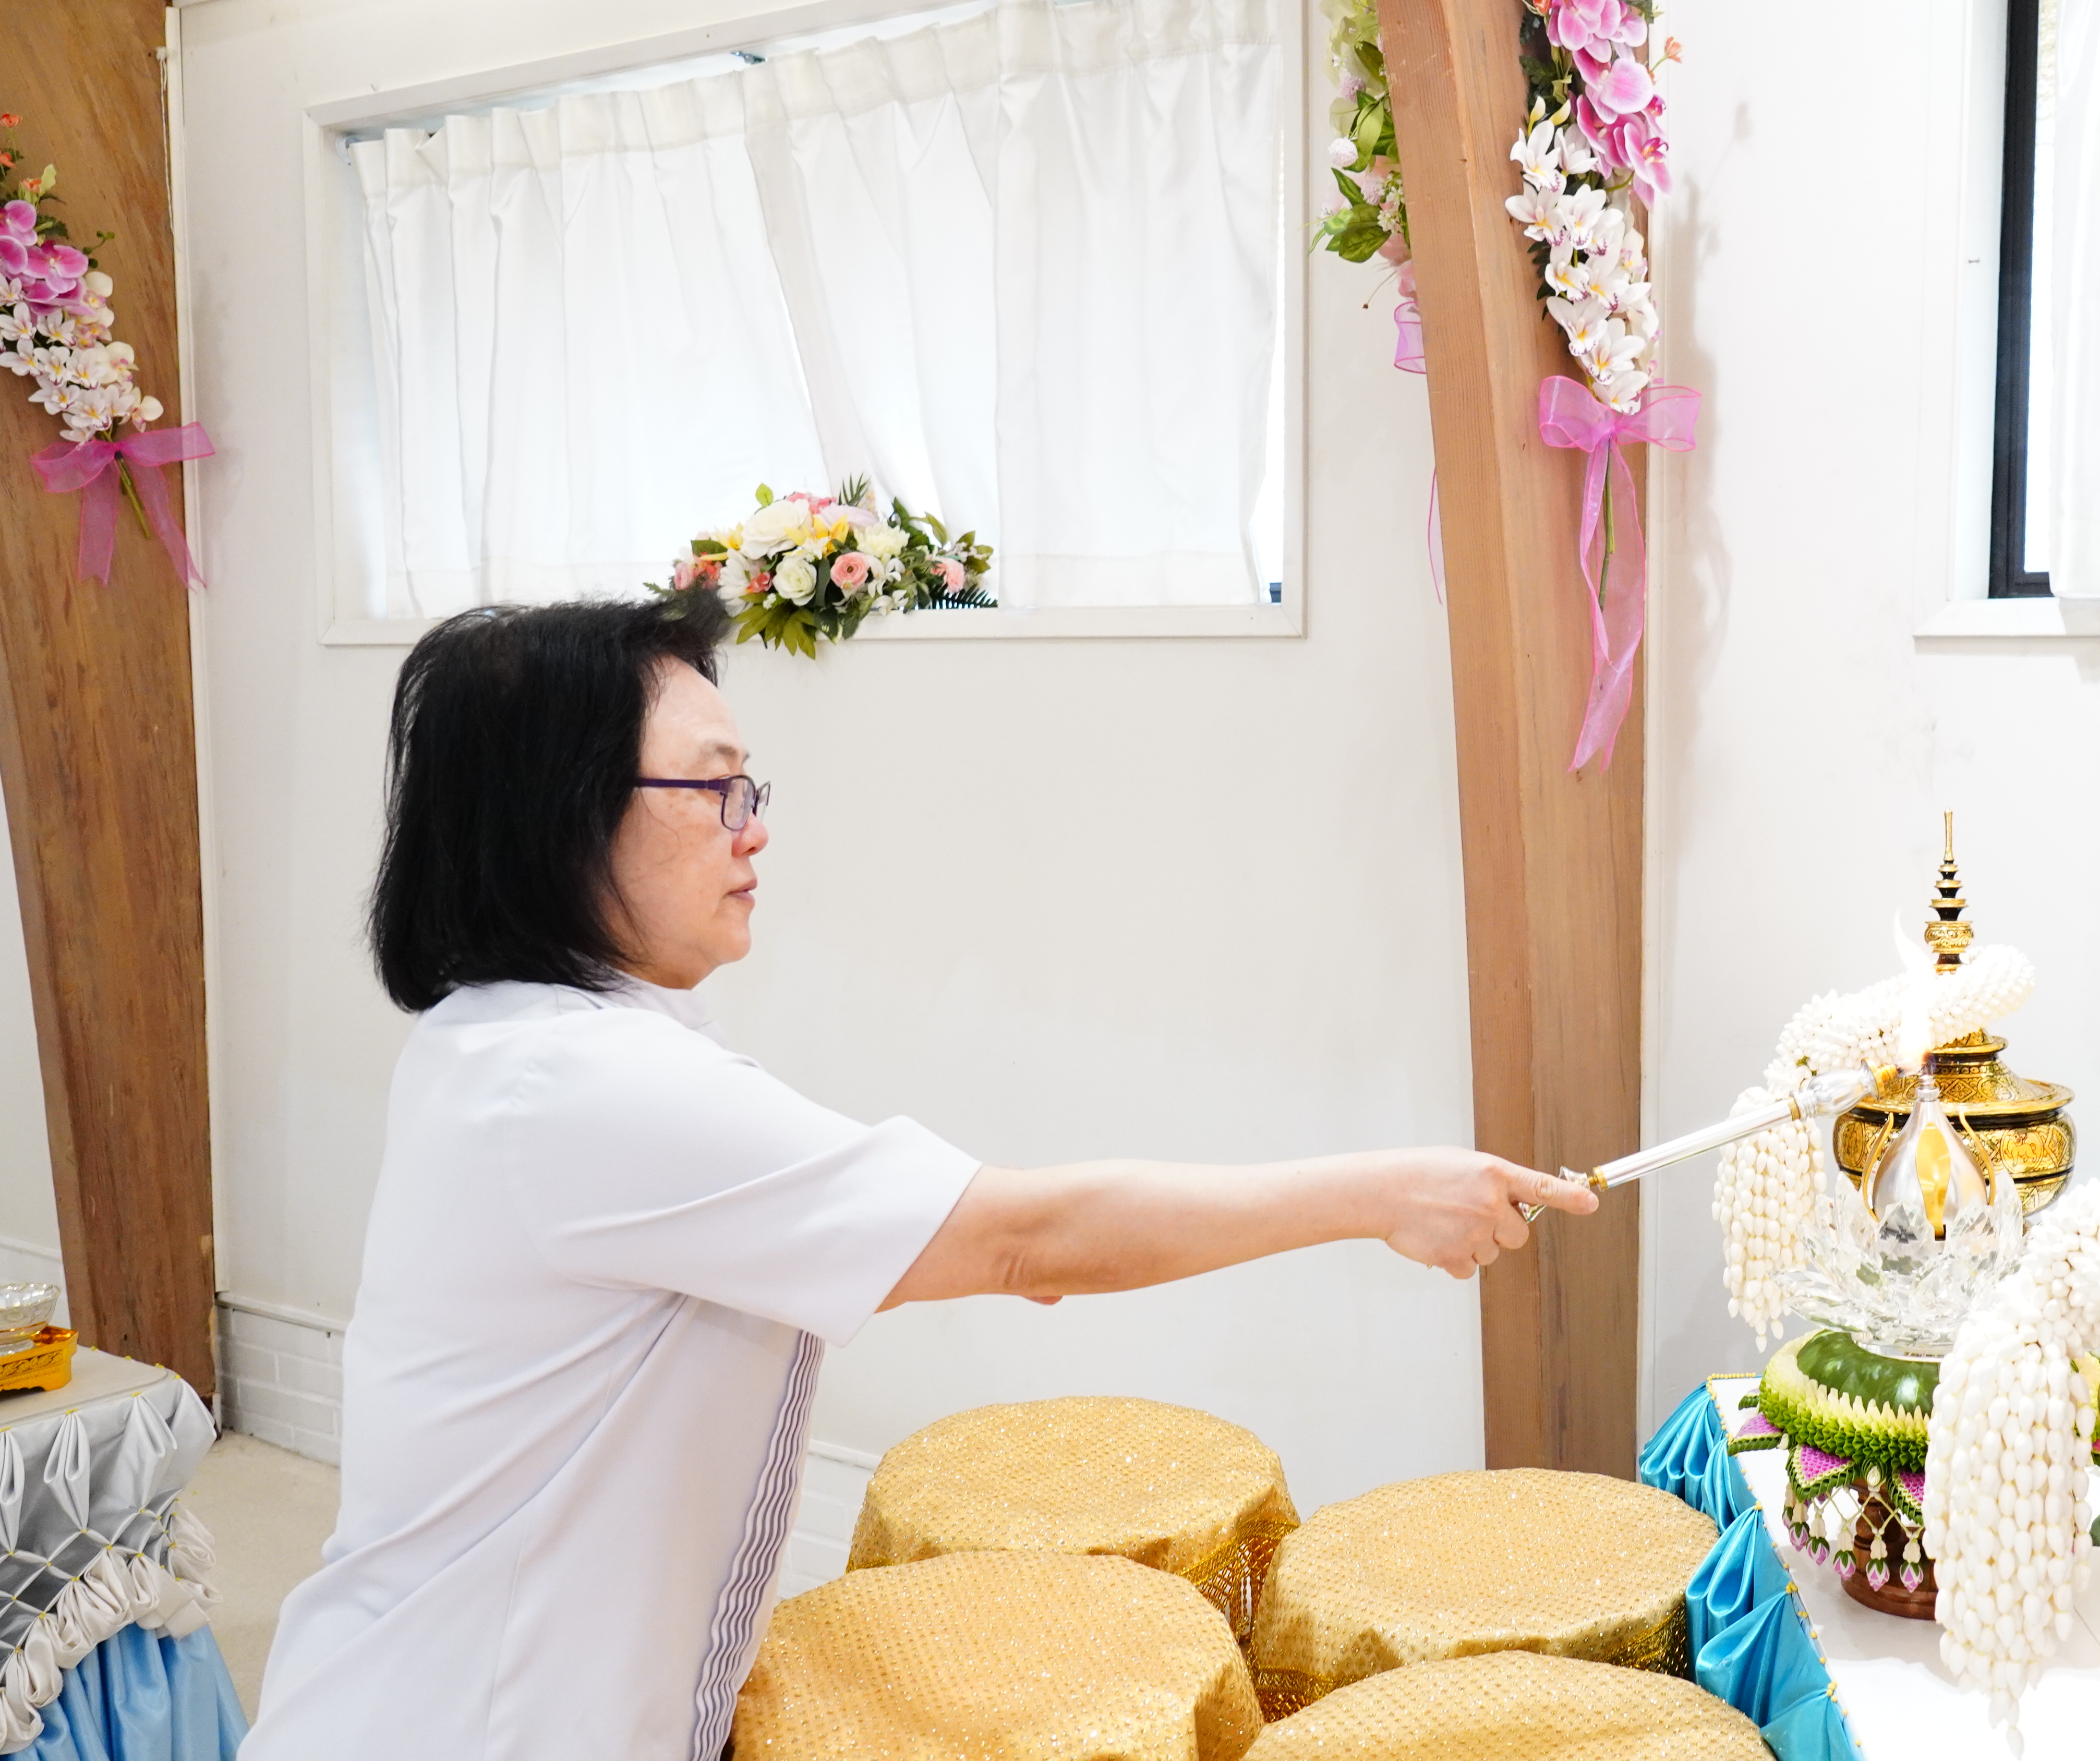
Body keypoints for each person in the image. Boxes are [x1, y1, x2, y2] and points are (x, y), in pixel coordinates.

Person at [238, 595, 1597, 1759]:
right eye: (712, 787)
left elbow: (979, 1243)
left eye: (751, 787)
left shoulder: (528, 1049)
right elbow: (1027, 1240)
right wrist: (1387, 1195)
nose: (753, 828)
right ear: (558, 817)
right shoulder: (580, 1090)